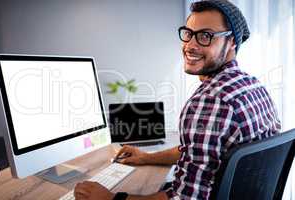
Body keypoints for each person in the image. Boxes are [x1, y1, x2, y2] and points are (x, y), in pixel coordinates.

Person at [74, 0, 281, 199]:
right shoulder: (252, 85)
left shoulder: (210, 101)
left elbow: (183, 199)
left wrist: (110, 198)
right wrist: (146, 158)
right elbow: (201, 152)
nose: (190, 45)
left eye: (206, 36)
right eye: (189, 34)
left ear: (232, 42)